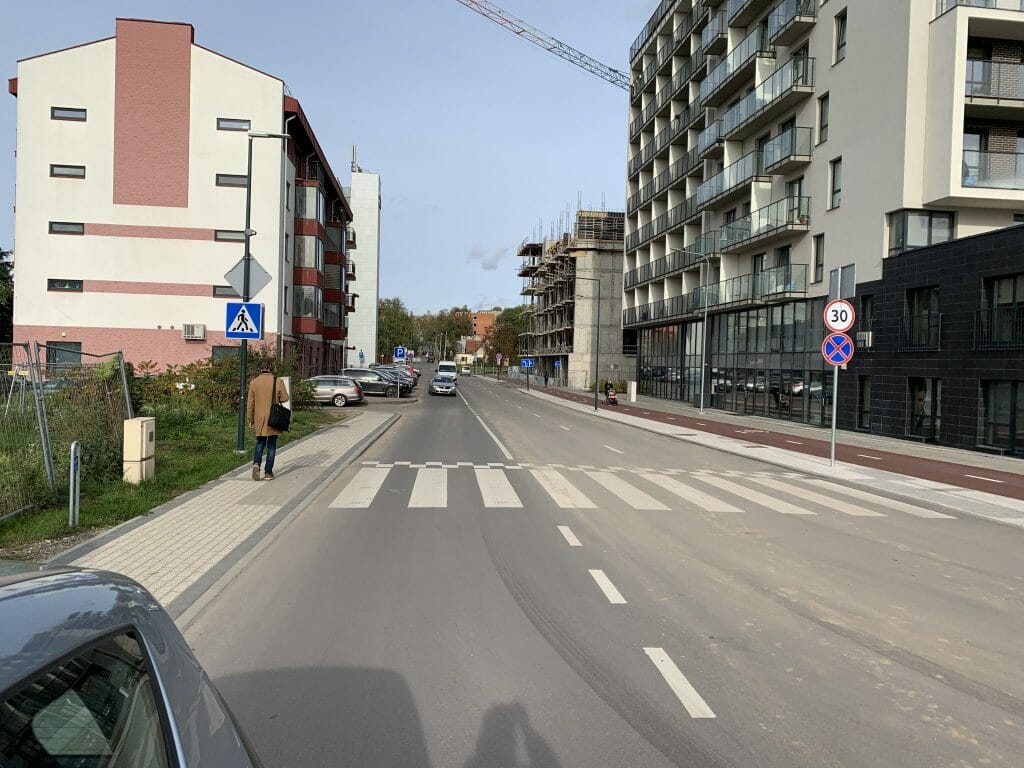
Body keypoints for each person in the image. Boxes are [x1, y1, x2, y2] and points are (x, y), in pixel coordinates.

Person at [246, 362, 289, 481]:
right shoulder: (278, 381)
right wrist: (277, 397)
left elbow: (250, 403)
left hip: (259, 417)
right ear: (271, 368)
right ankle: (268, 473)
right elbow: (285, 398)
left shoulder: (254, 382)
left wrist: (250, 419)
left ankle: (256, 463)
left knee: (260, 442)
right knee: (271, 445)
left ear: (260, 369)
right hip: (274, 416)